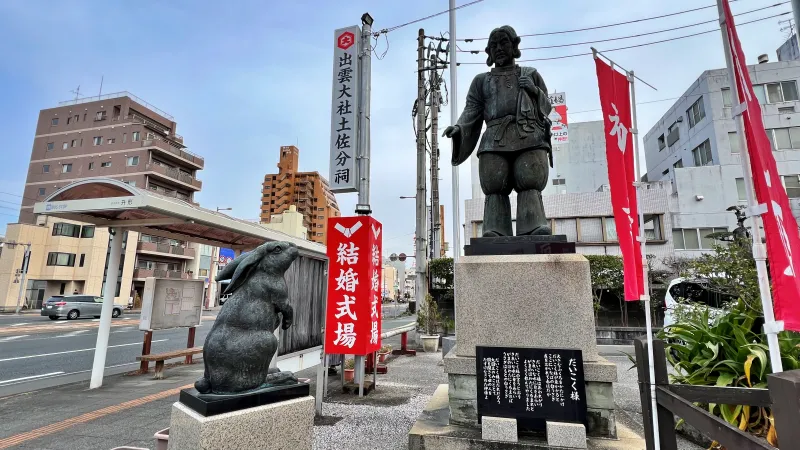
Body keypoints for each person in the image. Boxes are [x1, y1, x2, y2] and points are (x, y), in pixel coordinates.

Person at [442, 25, 553, 237]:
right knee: (494, 184)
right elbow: (472, 110)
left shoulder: (531, 75)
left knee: (529, 178)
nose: (499, 48)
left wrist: (533, 90)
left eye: (504, 43)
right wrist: (459, 128)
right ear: (489, 52)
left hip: (527, 133)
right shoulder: (481, 81)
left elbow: (547, 108)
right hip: (494, 137)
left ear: (514, 46)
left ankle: (533, 226)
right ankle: (495, 229)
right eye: (493, 45)